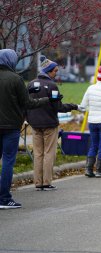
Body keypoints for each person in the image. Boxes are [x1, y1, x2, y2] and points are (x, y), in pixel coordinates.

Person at [0, 49, 56, 209]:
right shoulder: (15, 79)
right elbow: (28, 104)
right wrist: (46, 99)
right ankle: (4, 198)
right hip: (10, 126)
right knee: (8, 161)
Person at [26, 56, 80, 191]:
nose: (56, 73)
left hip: (34, 124)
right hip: (49, 123)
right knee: (49, 153)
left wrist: (27, 118)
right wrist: (74, 106)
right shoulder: (52, 85)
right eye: (55, 71)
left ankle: (38, 183)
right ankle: (46, 182)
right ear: (48, 71)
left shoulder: (31, 84)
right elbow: (58, 107)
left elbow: (25, 104)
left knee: (38, 153)